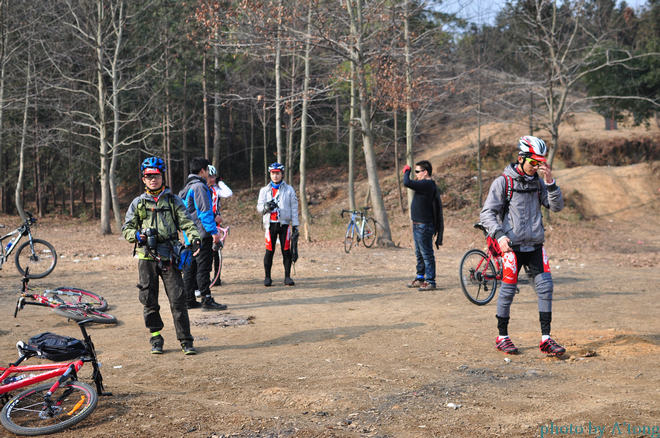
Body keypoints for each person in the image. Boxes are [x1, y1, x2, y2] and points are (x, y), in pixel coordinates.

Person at [480, 136, 566, 356]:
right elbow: (487, 213)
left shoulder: (539, 182)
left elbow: (556, 207)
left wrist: (550, 181)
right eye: (533, 162)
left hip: (535, 245)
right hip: (511, 246)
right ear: (521, 158)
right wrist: (499, 235)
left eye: (540, 163)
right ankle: (502, 337)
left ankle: (546, 339)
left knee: (546, 288)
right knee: (508, 290)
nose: (536, 167)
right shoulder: (504, 182)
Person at [122, 157, 201, 355]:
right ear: (143, 179)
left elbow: (187, 222)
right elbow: (126, 229)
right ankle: (156, 338)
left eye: (156, 176)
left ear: (161, 176)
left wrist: (195, 239)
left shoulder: (174, 200)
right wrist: (137, 235)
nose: (153, 180)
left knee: (178, 299)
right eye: (149, 176)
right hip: (146, 257)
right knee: (149, 300)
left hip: (170, 256)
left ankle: (186, 340)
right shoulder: (138, 203)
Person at [179, 157, 227, 311]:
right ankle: (206, 299)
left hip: (190, 234)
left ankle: (189, 300)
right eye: (207, 170)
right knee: (203, 267)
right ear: (202, 171)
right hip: (201, 233)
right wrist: (214, 232)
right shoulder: (199, 186)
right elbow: (204, 213)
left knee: (191, 268)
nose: (208, 173)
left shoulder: (187, 186)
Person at [402, 160, 444, 292]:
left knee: (426, 254)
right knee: (419, 254)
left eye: (417, 172)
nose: (416, 174)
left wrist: (407, 171)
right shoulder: (424, 184)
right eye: (414, 172)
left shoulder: (426, 183)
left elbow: (406, 182)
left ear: (425, 173)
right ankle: (420, 278)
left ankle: (431, 281)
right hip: (418, 226)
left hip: (424, 226)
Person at [257, 162, 299, 286]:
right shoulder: (264, 190)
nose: (275, 176)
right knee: (269, 251)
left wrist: (295, 225)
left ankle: (287, 277)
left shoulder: (289, 189)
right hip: (270, 225)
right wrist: (266, 206)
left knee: (286, 251)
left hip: (284, 225)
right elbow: (259, 208)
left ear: (282, 174)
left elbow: (294, 208)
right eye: (273, 173)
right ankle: (267, 277)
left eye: (277, 173)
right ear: (270, 174)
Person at [207, 165, 232, 286]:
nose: (212, 179)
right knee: (206, 251)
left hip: (216, 222)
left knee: (216, 250)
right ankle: (204, 277)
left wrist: (220, 182)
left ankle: (217, 278)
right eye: (209, 176)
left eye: (214, 176)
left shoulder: (217, 188)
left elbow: (228, 193)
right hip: (205, 222)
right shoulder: (201, 188)